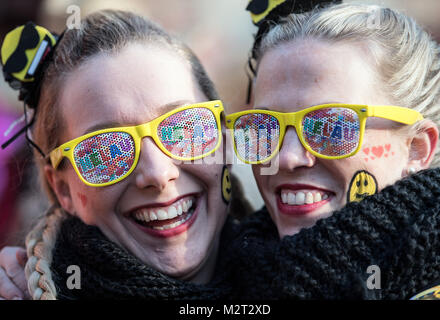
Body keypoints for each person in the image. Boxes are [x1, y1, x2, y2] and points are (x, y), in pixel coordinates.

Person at [0, 9, 252, 300]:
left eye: (183, 128)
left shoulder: (296, 260)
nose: (158, 174)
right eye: (107, 150)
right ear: (63, 189)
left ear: (223, 138)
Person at [224, 2, 440, 299]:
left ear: (417, 148)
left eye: (331, 127)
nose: (286, 158)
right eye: (264, 127)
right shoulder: (226, 281)